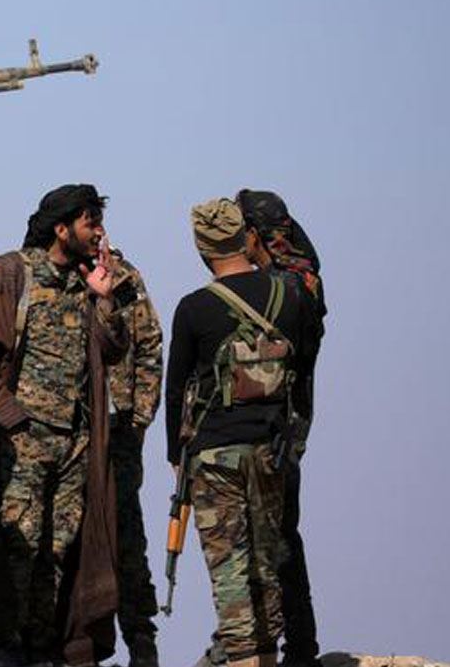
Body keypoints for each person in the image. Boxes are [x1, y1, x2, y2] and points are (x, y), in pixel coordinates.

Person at [0, 184, 131, 667]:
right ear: (61, 229)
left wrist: (105, 299)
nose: (98, 232)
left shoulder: (87, 282)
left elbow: (115, 348)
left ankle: (43, 645)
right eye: (89, 223)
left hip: (74, 443)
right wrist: (9, 420)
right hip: (22, 441)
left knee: (57, 550)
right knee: (18, 546)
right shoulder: (12, 272)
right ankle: (6, 644)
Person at [166, 200, 319, 667]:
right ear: (244, 237)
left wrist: (175, 454)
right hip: (271, 450)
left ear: (201, 248)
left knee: (230, 573)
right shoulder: (289, 296)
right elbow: (301, 369)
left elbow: (176, 389)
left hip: (214, 456)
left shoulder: (194, 308)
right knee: (266, 566)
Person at [238, 191, 325, 667]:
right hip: (287, 419)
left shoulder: (288, 287)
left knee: (277, 536)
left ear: (257, 233)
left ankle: (296, 646)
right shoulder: (300, 277)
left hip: (280, 424)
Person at [106, 252, 165, 667]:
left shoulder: (124, 278)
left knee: (126, 536)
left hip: (119, 429)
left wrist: (141, 417)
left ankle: (141, 641)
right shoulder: (42, 273)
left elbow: (149, 346)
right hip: (63, 434)